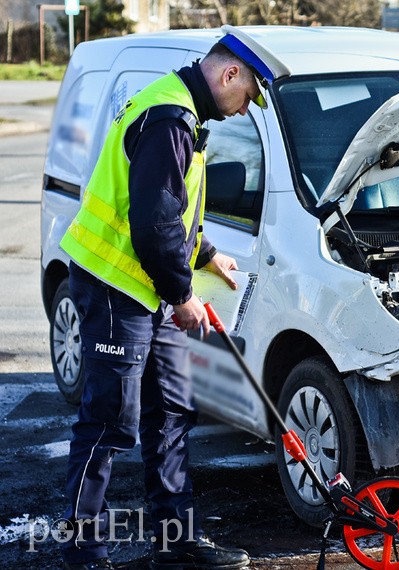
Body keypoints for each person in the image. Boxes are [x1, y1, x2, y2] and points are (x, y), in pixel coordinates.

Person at [58, 28, 274, 570]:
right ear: (229, 74)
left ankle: (176, 545)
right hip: (115, 287)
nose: (244, 108)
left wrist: (207, 255)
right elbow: (152, 225)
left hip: (144, 290)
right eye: (247, 95)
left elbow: (173, 212)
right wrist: (181, 295)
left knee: (172, 413)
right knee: (110, 422)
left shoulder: (184, 115)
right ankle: (83, 551)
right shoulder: (170, 118)